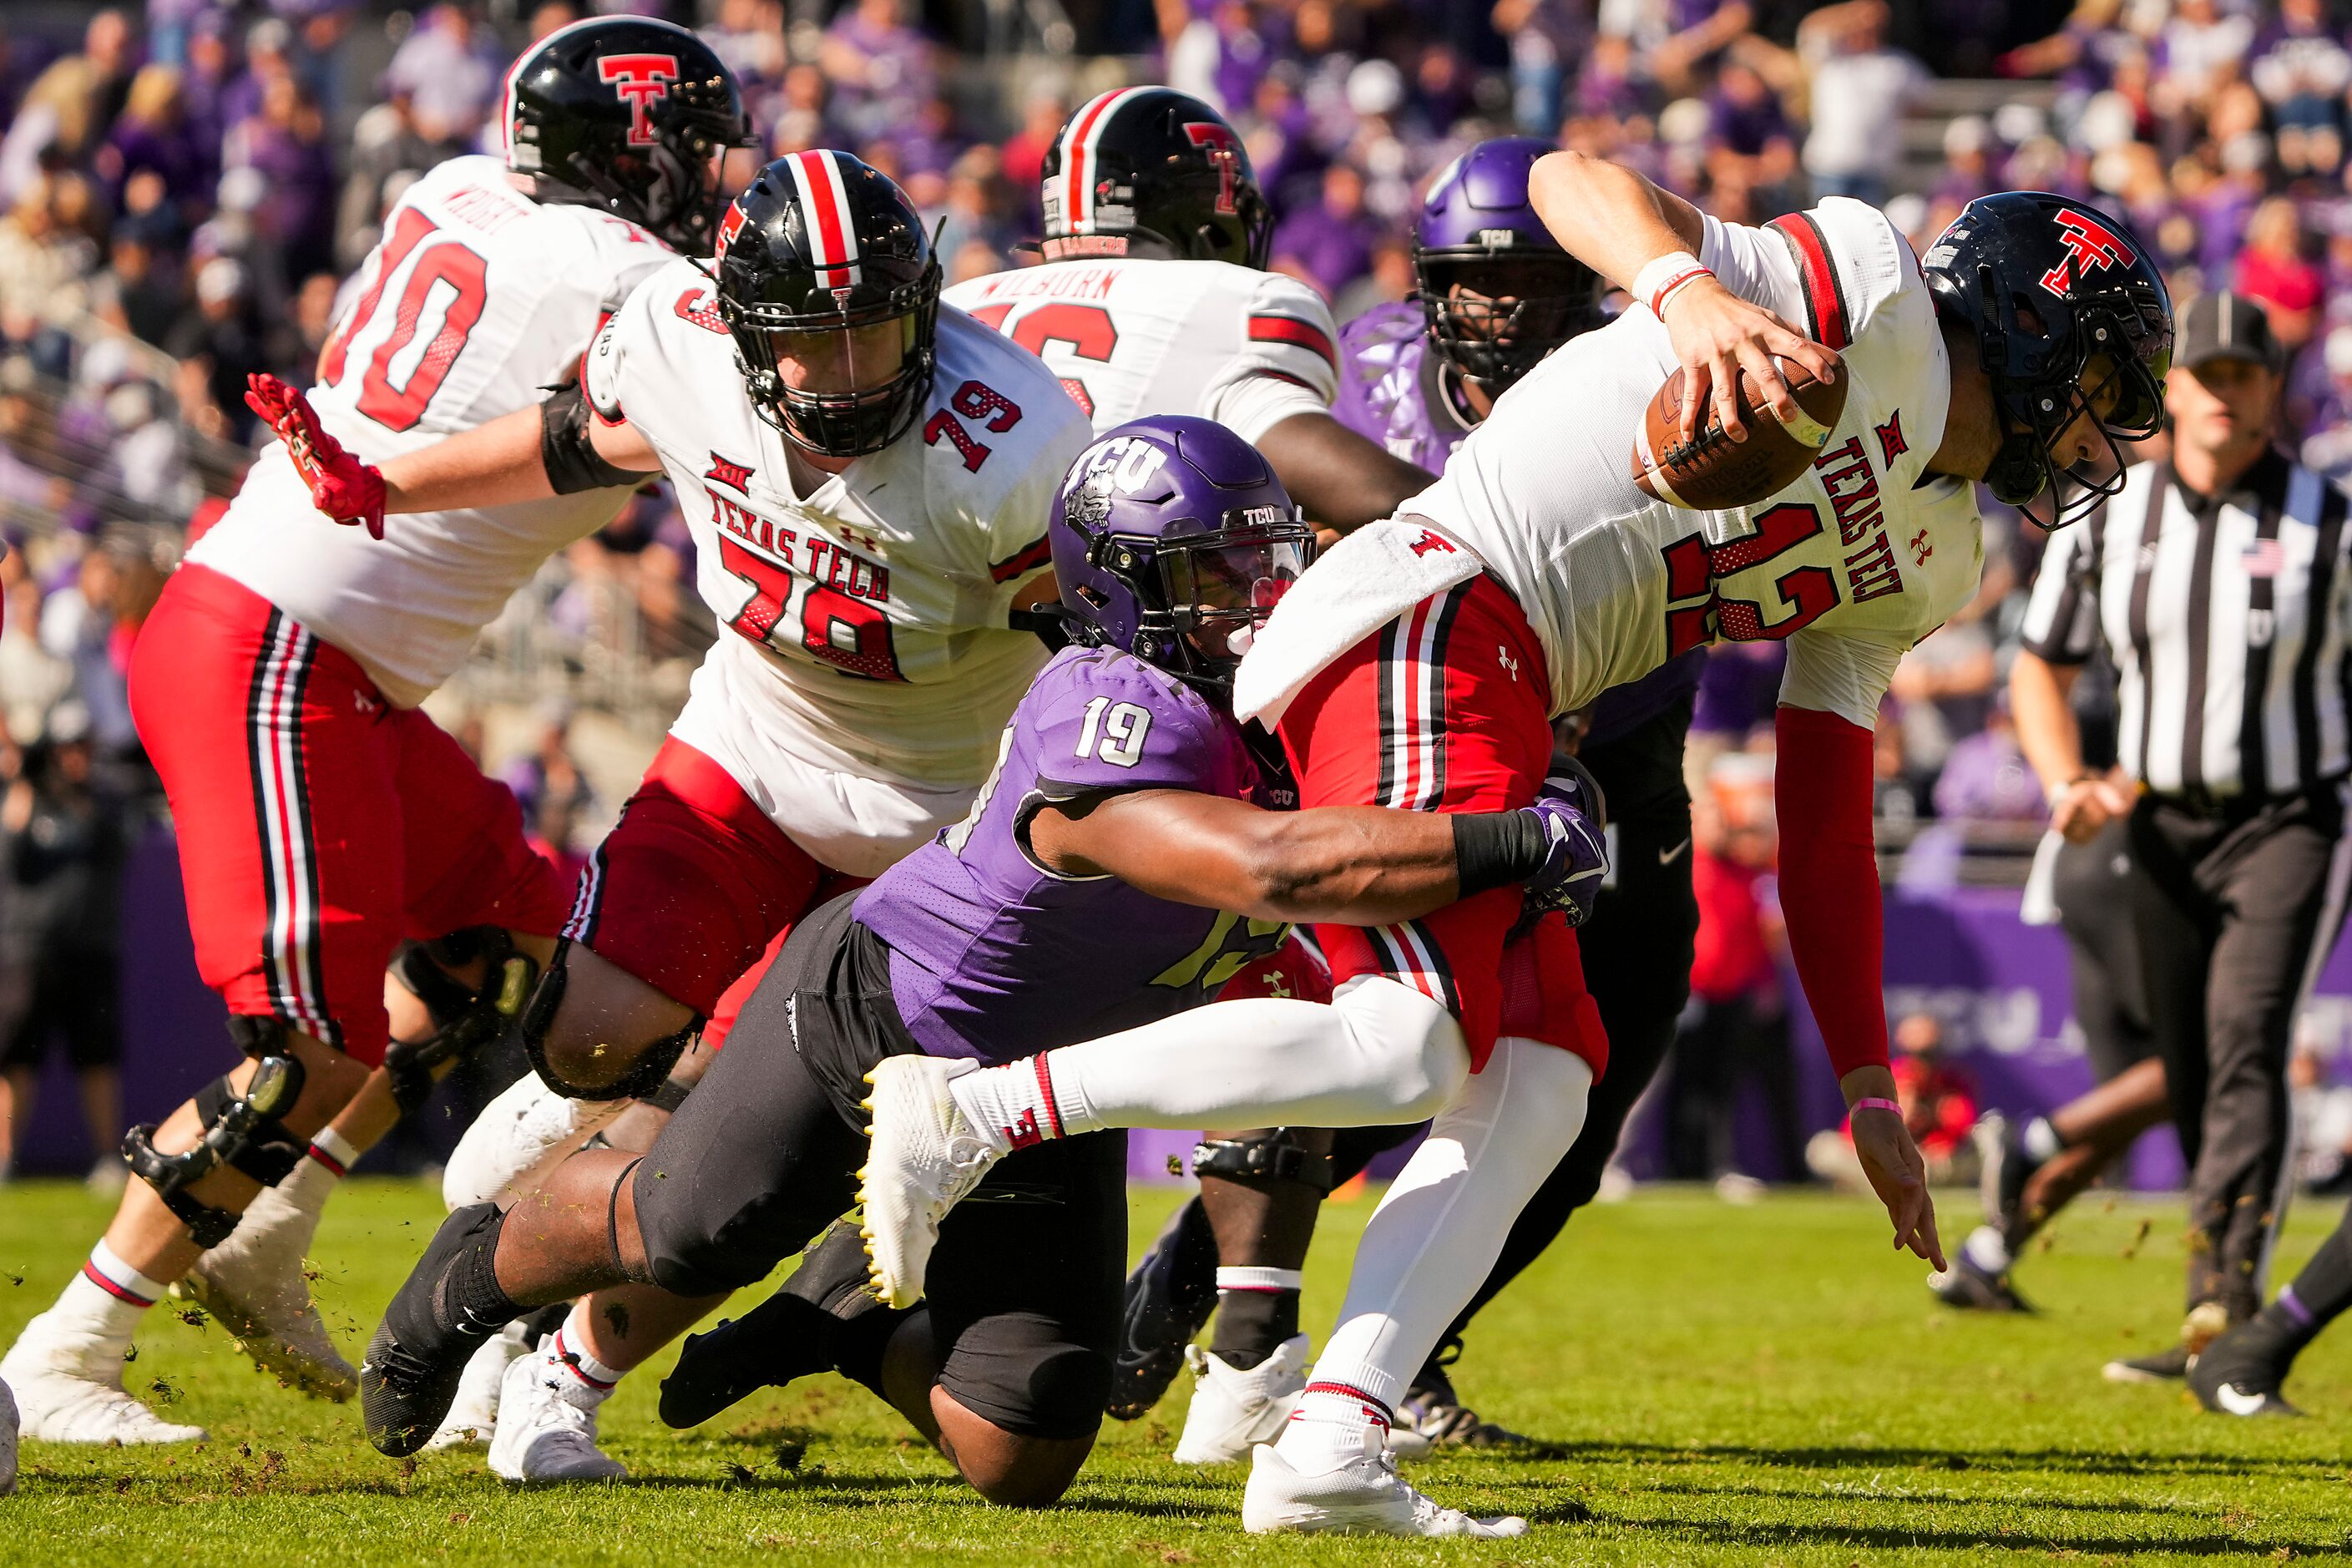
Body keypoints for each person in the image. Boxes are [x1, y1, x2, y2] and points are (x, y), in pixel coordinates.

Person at [867, 170, 2177, 1534]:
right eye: (2095, 381)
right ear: (2028, 333)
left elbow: (1826, 804)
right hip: (1445, 598)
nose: (2102, 431)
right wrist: (1690, 294)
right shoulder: (1866, 285)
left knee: (1547, 1076)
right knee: (1408, 1042)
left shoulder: (1938, 549)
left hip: (1516, 675)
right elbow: (1572, 178)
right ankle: (973, 1111)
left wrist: (1864, 1080)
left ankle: (1327, 1434)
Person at [352, 417, 1602, 1504]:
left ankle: (841, 1317)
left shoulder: (1275, 699)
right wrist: (1510, 832)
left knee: (1028, 1443)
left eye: (1263, 561)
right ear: (1118, 592)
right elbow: (1265, 867)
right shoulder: (1110, 706)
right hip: (884, 1012)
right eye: (1211, 570)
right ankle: (456, 1291)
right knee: (679, 1230)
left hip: (1048, 1080)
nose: (1253, 596)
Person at [0, 16, 752, 1448]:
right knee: (307, 1049)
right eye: (698, 149)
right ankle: (67, 1345)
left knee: (506, 956)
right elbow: (650, 420)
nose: (716, 179)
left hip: (328, 652)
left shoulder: (452, 186)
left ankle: (270, 1223)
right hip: (281, 649)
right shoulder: (639, 284)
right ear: (637, 153)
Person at [300, 149, 1093, 1479]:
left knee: (752, 1152)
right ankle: (512, 1254)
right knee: (597, 1038)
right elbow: (586, 439)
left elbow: (1090, 654)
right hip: (756, 755)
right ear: (738, 329)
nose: (851, 372)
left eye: (877, 330)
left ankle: (561, 1346)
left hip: (943, 823)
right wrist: (393, 484)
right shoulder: (673, 339)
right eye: (812, 342)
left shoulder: (1011, 448)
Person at [1107, 137, 1707, 1457]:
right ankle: (1234, 1302)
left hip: (1614, 752)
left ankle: (1391, 1354)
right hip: (1420, 735)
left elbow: (1695, 580)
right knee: (1390, 1034)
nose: (1498, 311)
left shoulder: (1638, 381)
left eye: (1532, 284)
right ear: (1428, 283)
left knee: (1572, 1109)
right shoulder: (1369, 369)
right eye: (1472, 283)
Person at [2008, 289, 2352, 1384]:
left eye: (2241, 374)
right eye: (2202, 375)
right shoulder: (2109, 517)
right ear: (2172, 389)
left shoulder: (2328, 521)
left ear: (2269, 392)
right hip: (2156, 824)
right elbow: (2039, 666)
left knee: (2249, 1034)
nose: (2219, 394)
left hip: (2289, 814)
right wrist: (2064, 778)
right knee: (2196, 1063)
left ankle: (2225, 1311)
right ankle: (2216, 1310)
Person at [941, 88, 1430, 529]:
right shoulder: (1225, 300)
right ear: (1208, 223)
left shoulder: (958, 304)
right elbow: (1371, 493)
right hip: (1114, 600)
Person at [0, 701, 129, 1188]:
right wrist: (22, 787)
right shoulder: (24, 801)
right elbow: (10, 860)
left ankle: (105, 1159)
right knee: (16, 1059)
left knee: (96, 1057)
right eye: (68, 747)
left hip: (90, 951)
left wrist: (81, 803)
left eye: (84, 746)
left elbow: (117, 848)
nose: (77, 756)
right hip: (28, 952)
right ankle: (5, 1158)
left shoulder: (106, 803)